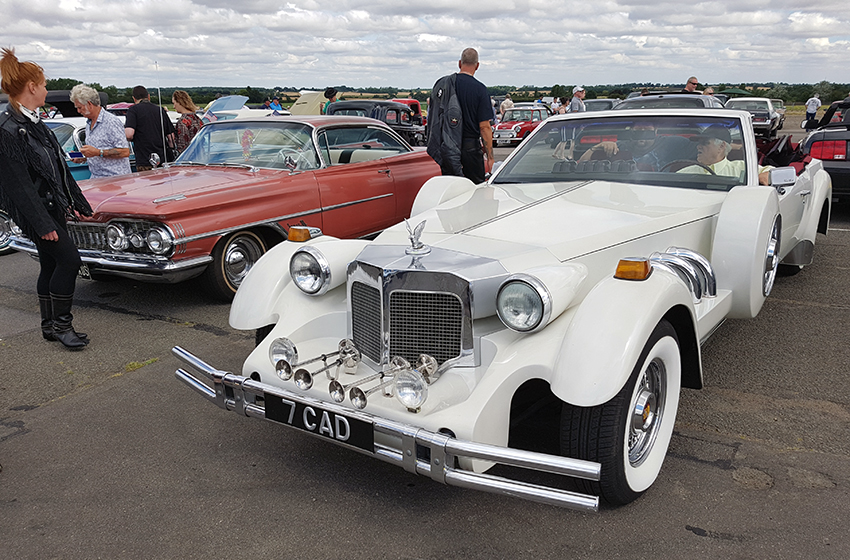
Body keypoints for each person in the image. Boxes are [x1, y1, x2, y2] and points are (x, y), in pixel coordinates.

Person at [0, 47, 93, 349]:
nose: (46, 89)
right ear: (31, 87)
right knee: (69, 260)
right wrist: (41, 223)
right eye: (43, 84)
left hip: (52, 207)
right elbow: (18, 185)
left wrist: (77, 202)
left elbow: (58, 168)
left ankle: (49, 326)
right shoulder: (8, 129)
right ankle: (63, 325)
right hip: (38, 212)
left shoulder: (33, 123)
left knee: (51, 265)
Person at [426, 47, 494, 184]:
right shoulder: (480, 89)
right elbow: (484, 127)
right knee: (475, 189)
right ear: (477, 66)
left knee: (452, 188)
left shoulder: (444, 85)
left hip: (448, 147)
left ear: (459, 63)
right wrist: (490, 156)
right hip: (470, 148)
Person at [68, 84, 131, 178]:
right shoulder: (89, 123)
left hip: (115, 178)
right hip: (97, 177)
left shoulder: (111, 122)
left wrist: (98, 152)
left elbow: (125, 152)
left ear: (89, 104)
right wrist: (83, 157)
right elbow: (97, 151)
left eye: (79, 107)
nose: (78, 111)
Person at [578, 121, 697, 171]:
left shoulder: (674, 144)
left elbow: (705, 154)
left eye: (647, 131)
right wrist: (599, 146)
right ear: (631, 131)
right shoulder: (618, 148)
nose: (642, 136)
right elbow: (582, 164)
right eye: (638, 131)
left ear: (656, 130)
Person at [678, 124, 771, 185]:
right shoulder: (684, 173)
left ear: (721, 146)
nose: (698, 147)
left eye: (705, 143)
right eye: (699, 143)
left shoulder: (742, 168)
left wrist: (766, 175)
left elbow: (773, 172)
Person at [124, 85, 176, 171]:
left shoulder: (133, 110)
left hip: (144, 160)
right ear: (148, 96)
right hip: (163, 160)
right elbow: (171, 137)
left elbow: (129, 134)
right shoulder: (160, 110)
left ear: (134, 98)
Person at [171, 90, 203, 154]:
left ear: (180, 102)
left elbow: (182, 146)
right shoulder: (197, 118)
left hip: (188, 156)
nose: (174, 107)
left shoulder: (182, 122)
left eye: (174, 103)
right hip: (200, 153)